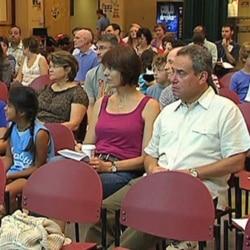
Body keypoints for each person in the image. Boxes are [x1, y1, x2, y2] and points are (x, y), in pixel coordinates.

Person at [85, 45, 250, 250]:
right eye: (173, 73)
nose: (172, 79)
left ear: (202, 77)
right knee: (105, 210)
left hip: (197, 189)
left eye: (181, 74)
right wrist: (152, 168)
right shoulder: (169, 112)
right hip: (156, 182)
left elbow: (237, 161)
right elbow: (150, 155)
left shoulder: (224, 110)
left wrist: (191, 173)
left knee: (149, 217)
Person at [76, 45, 160, 199]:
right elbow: (89, 144)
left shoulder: (149, 106)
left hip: (124, 169)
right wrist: (80, 150)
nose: (106, 73)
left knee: (83, 184)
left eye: (111, 69)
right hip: (98, 162)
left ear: (127, 71)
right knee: (56, 169)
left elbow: (146, 158)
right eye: (105, 68)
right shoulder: (102, 102)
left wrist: (109, 167)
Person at [1, 86, 55, 213]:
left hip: (32, 177)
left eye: (9, 106)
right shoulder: (13, 126)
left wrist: (10, 175)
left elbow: (38, 167)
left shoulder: (40, 133)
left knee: (7, 192)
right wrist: (2, 173)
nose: (5, 108)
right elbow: (9, 157)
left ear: (21, 112)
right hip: (15, 173)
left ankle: (12, 221)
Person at [37, 50, 89, 135]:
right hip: (36, 130)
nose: (50, 70)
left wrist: (45, 129)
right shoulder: (45, 89)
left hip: (58, 134)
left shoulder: (77, 93)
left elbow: (74, 125)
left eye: (55, 67)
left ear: (67, 70)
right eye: (50, 66)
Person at [85, 34, 119, 122]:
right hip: (98, 118)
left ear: (114, 50)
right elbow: (90, 104)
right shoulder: (91, 74)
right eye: (97, 48)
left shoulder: (122, 74)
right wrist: (92, 126)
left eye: (102, 48)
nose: (98, 52)